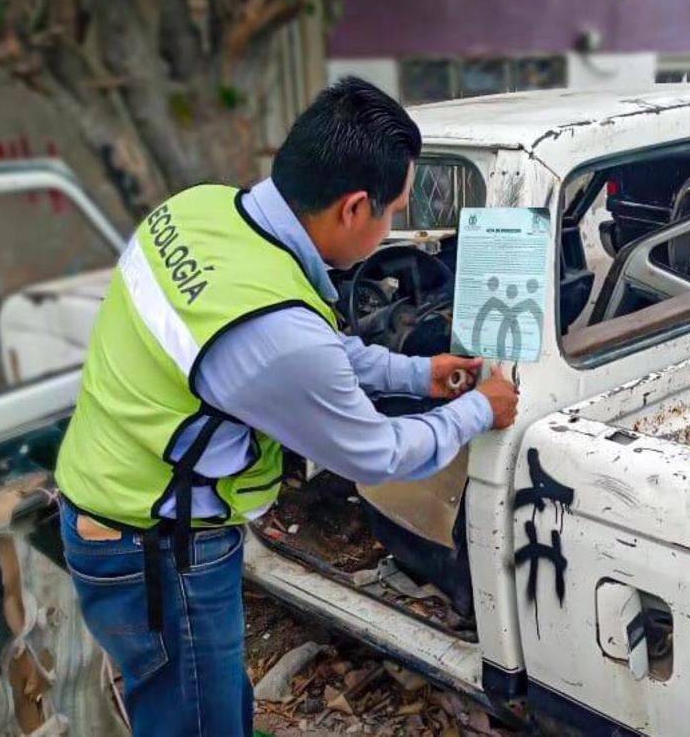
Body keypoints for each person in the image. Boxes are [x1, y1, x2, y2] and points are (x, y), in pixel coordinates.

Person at [54, 77, 518, 736]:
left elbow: (300, 348)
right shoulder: (278, 334)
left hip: (109, 498)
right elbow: (377, 451)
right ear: (354, 208)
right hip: (158, 549)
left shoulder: (201, 210)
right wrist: (481, 409)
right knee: (198, 722)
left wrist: (418, 373)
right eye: (393, 212)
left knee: (204, 705)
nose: (393, 228)